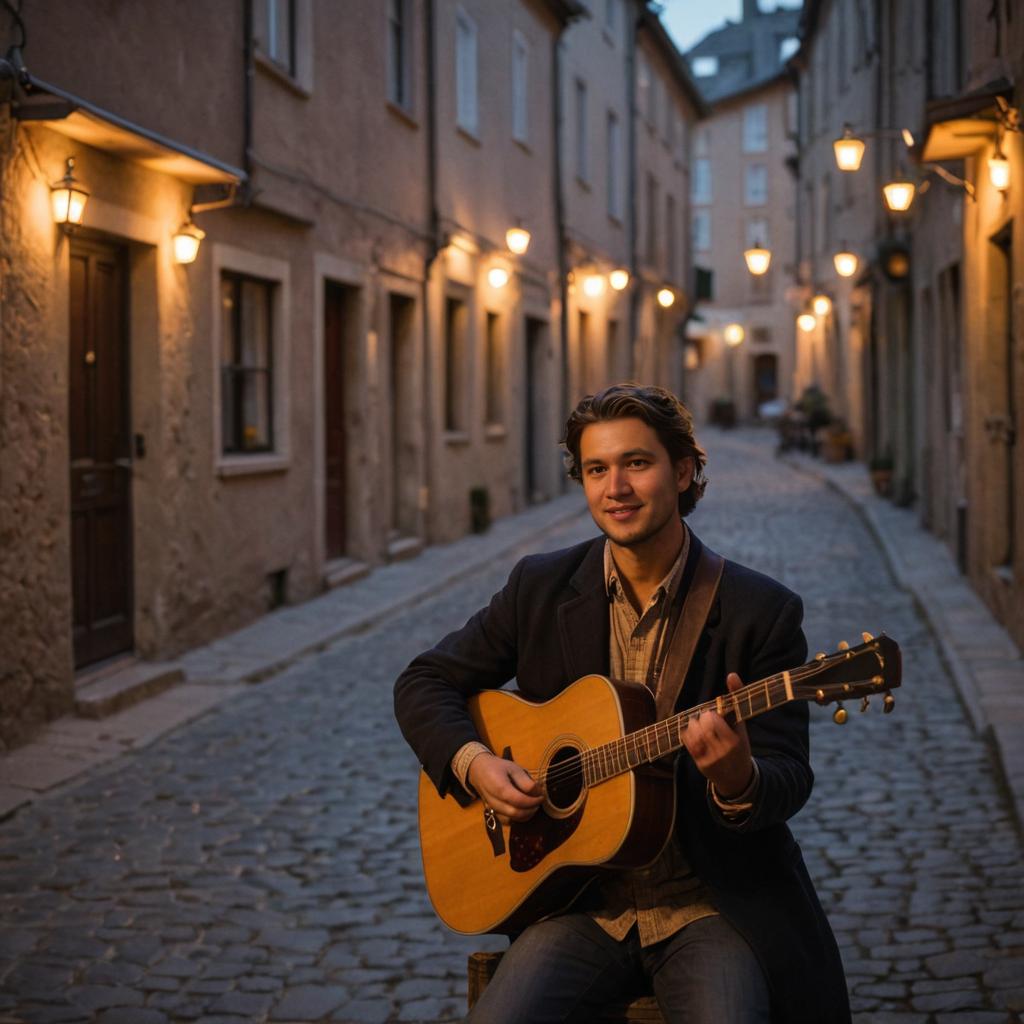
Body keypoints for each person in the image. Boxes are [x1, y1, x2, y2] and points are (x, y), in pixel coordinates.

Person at [394, 383, 849, 1023]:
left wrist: (737, 779)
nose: (616, 488)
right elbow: (424, 680)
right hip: (579, 907)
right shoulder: (542, 588)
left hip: (709, 909)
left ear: (685, 469)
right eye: (596, 469)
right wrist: (474, 763)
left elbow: (789, 778)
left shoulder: (759, 611)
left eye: (637, 463)